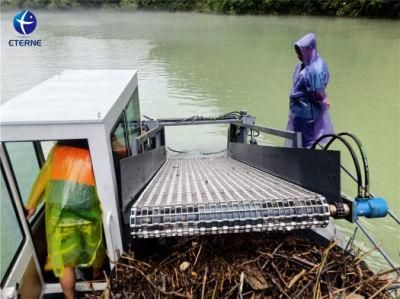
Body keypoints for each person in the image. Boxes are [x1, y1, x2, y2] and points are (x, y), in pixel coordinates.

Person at [25, 140, 105, 299]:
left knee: (65, 262)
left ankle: (70, 297)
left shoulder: (57, 151)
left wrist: (31, 204)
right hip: (88, 210)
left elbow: (43, 178)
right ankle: (97, 278)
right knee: (96, 247)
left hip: (60, 214)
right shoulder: (95, 149)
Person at [286, 33, 334, 148]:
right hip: (299, 112)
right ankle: (298, 162)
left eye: (300, 53)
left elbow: (318, 93)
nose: (298, 56)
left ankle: (306, 164)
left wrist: (324, 102)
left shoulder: (315, 70)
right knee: (298, 142)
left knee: (307, 144)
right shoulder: (306, 64)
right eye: (297, 53)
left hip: (307, 115)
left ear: (308, 50)